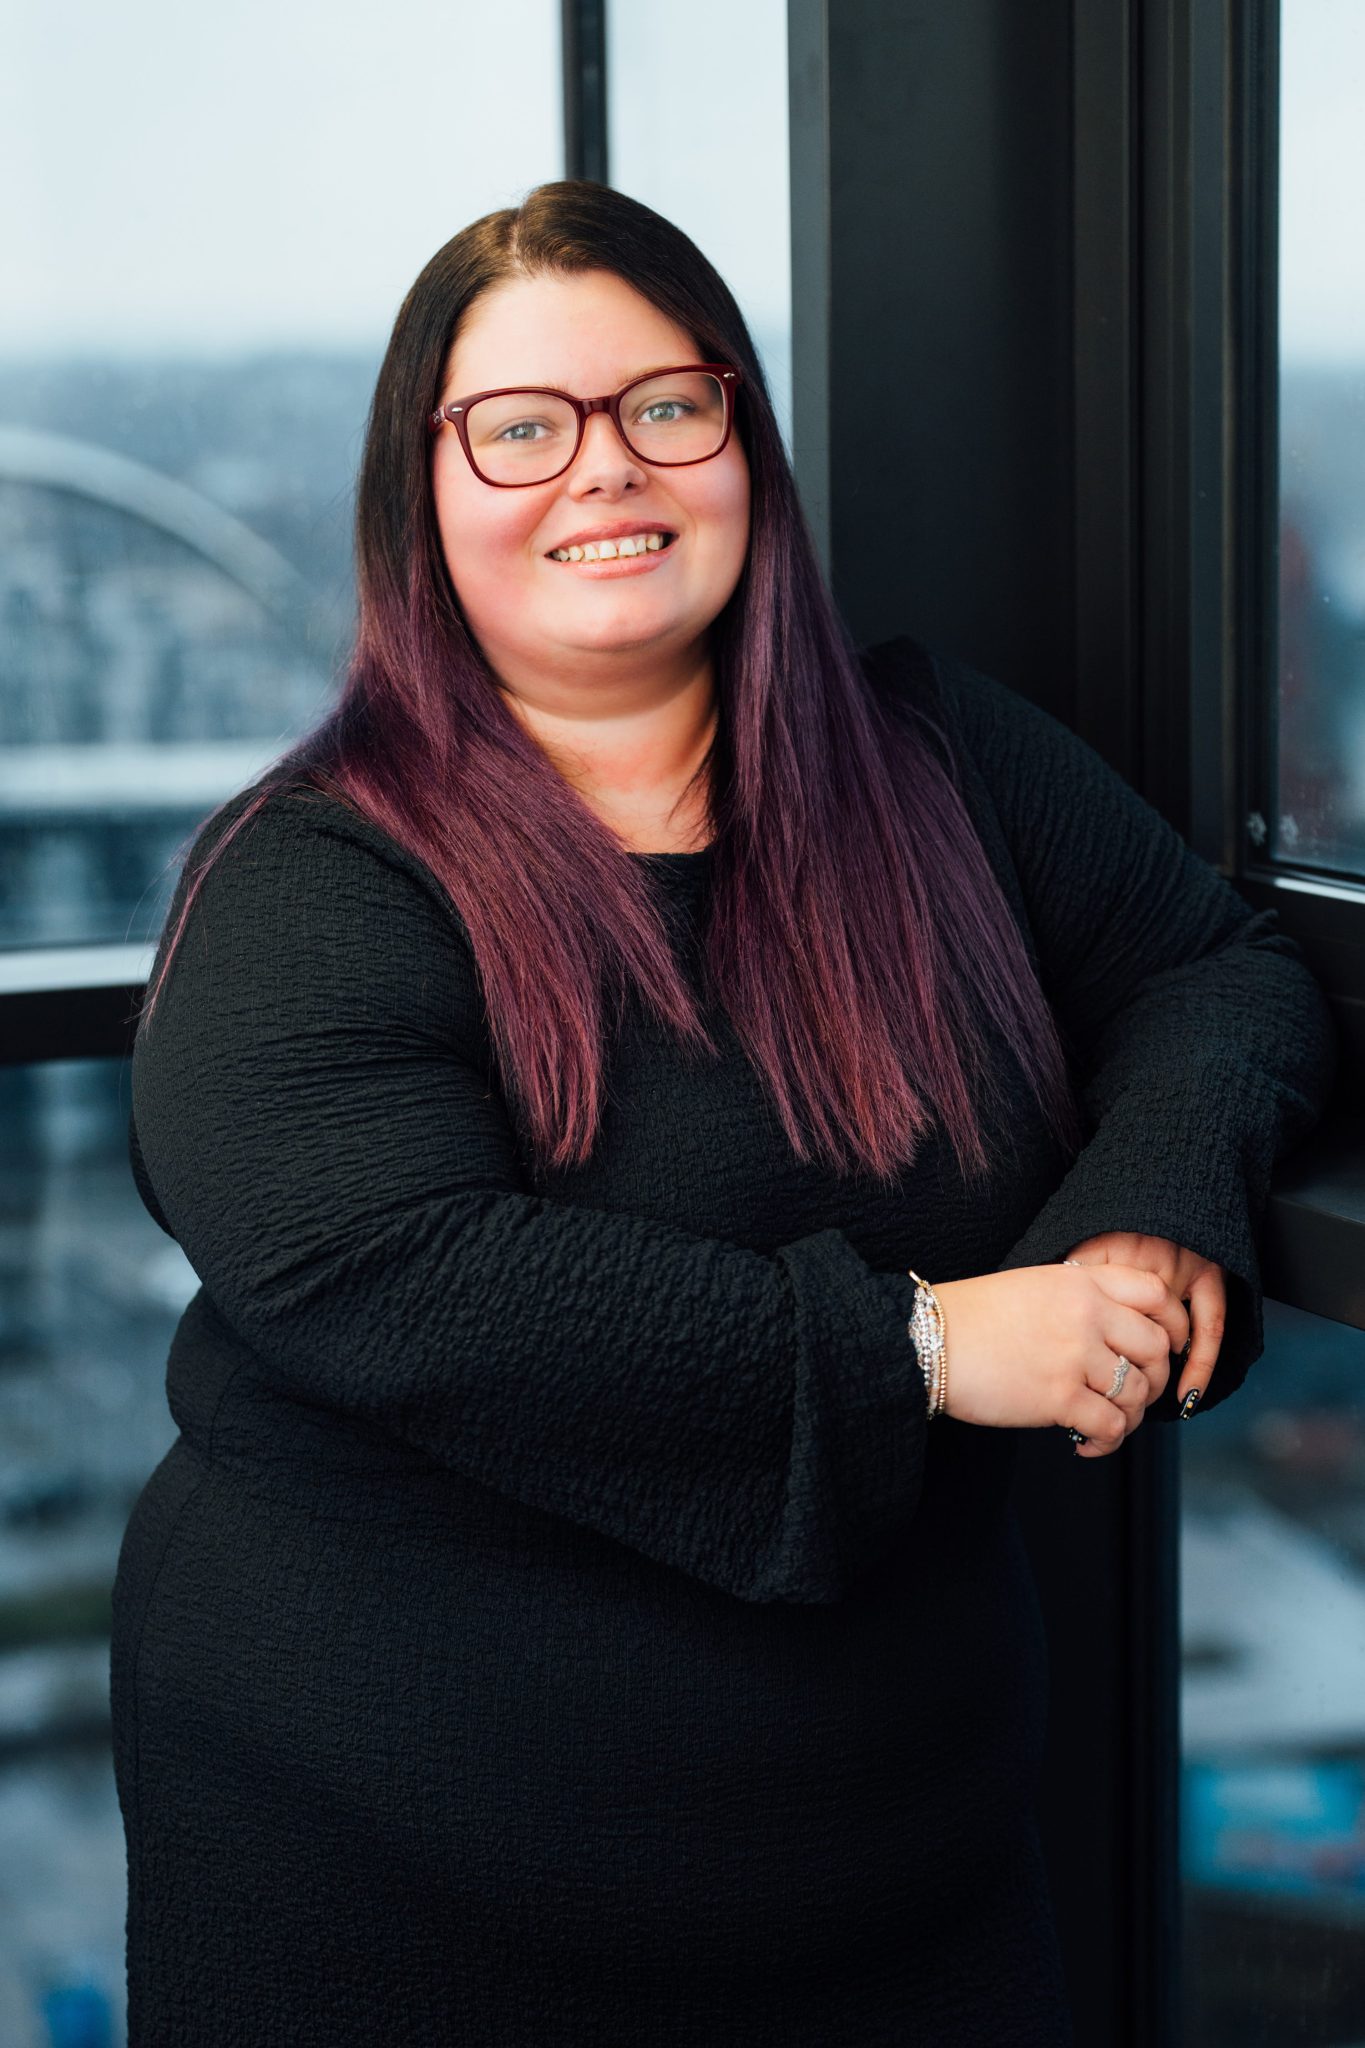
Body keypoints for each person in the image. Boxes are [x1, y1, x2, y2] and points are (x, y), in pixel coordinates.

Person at [110, 179, 1337, 2045]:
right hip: (404, 1895)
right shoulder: (314, 882)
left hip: (903, 1874)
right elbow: (394, 1274)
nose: (603, 470)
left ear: (741, 444)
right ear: (418, 495)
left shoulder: (932, 762)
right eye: (520, 430)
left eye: (665, 406)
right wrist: (925, 1348)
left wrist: (1145, 1213)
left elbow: (1210, 966)